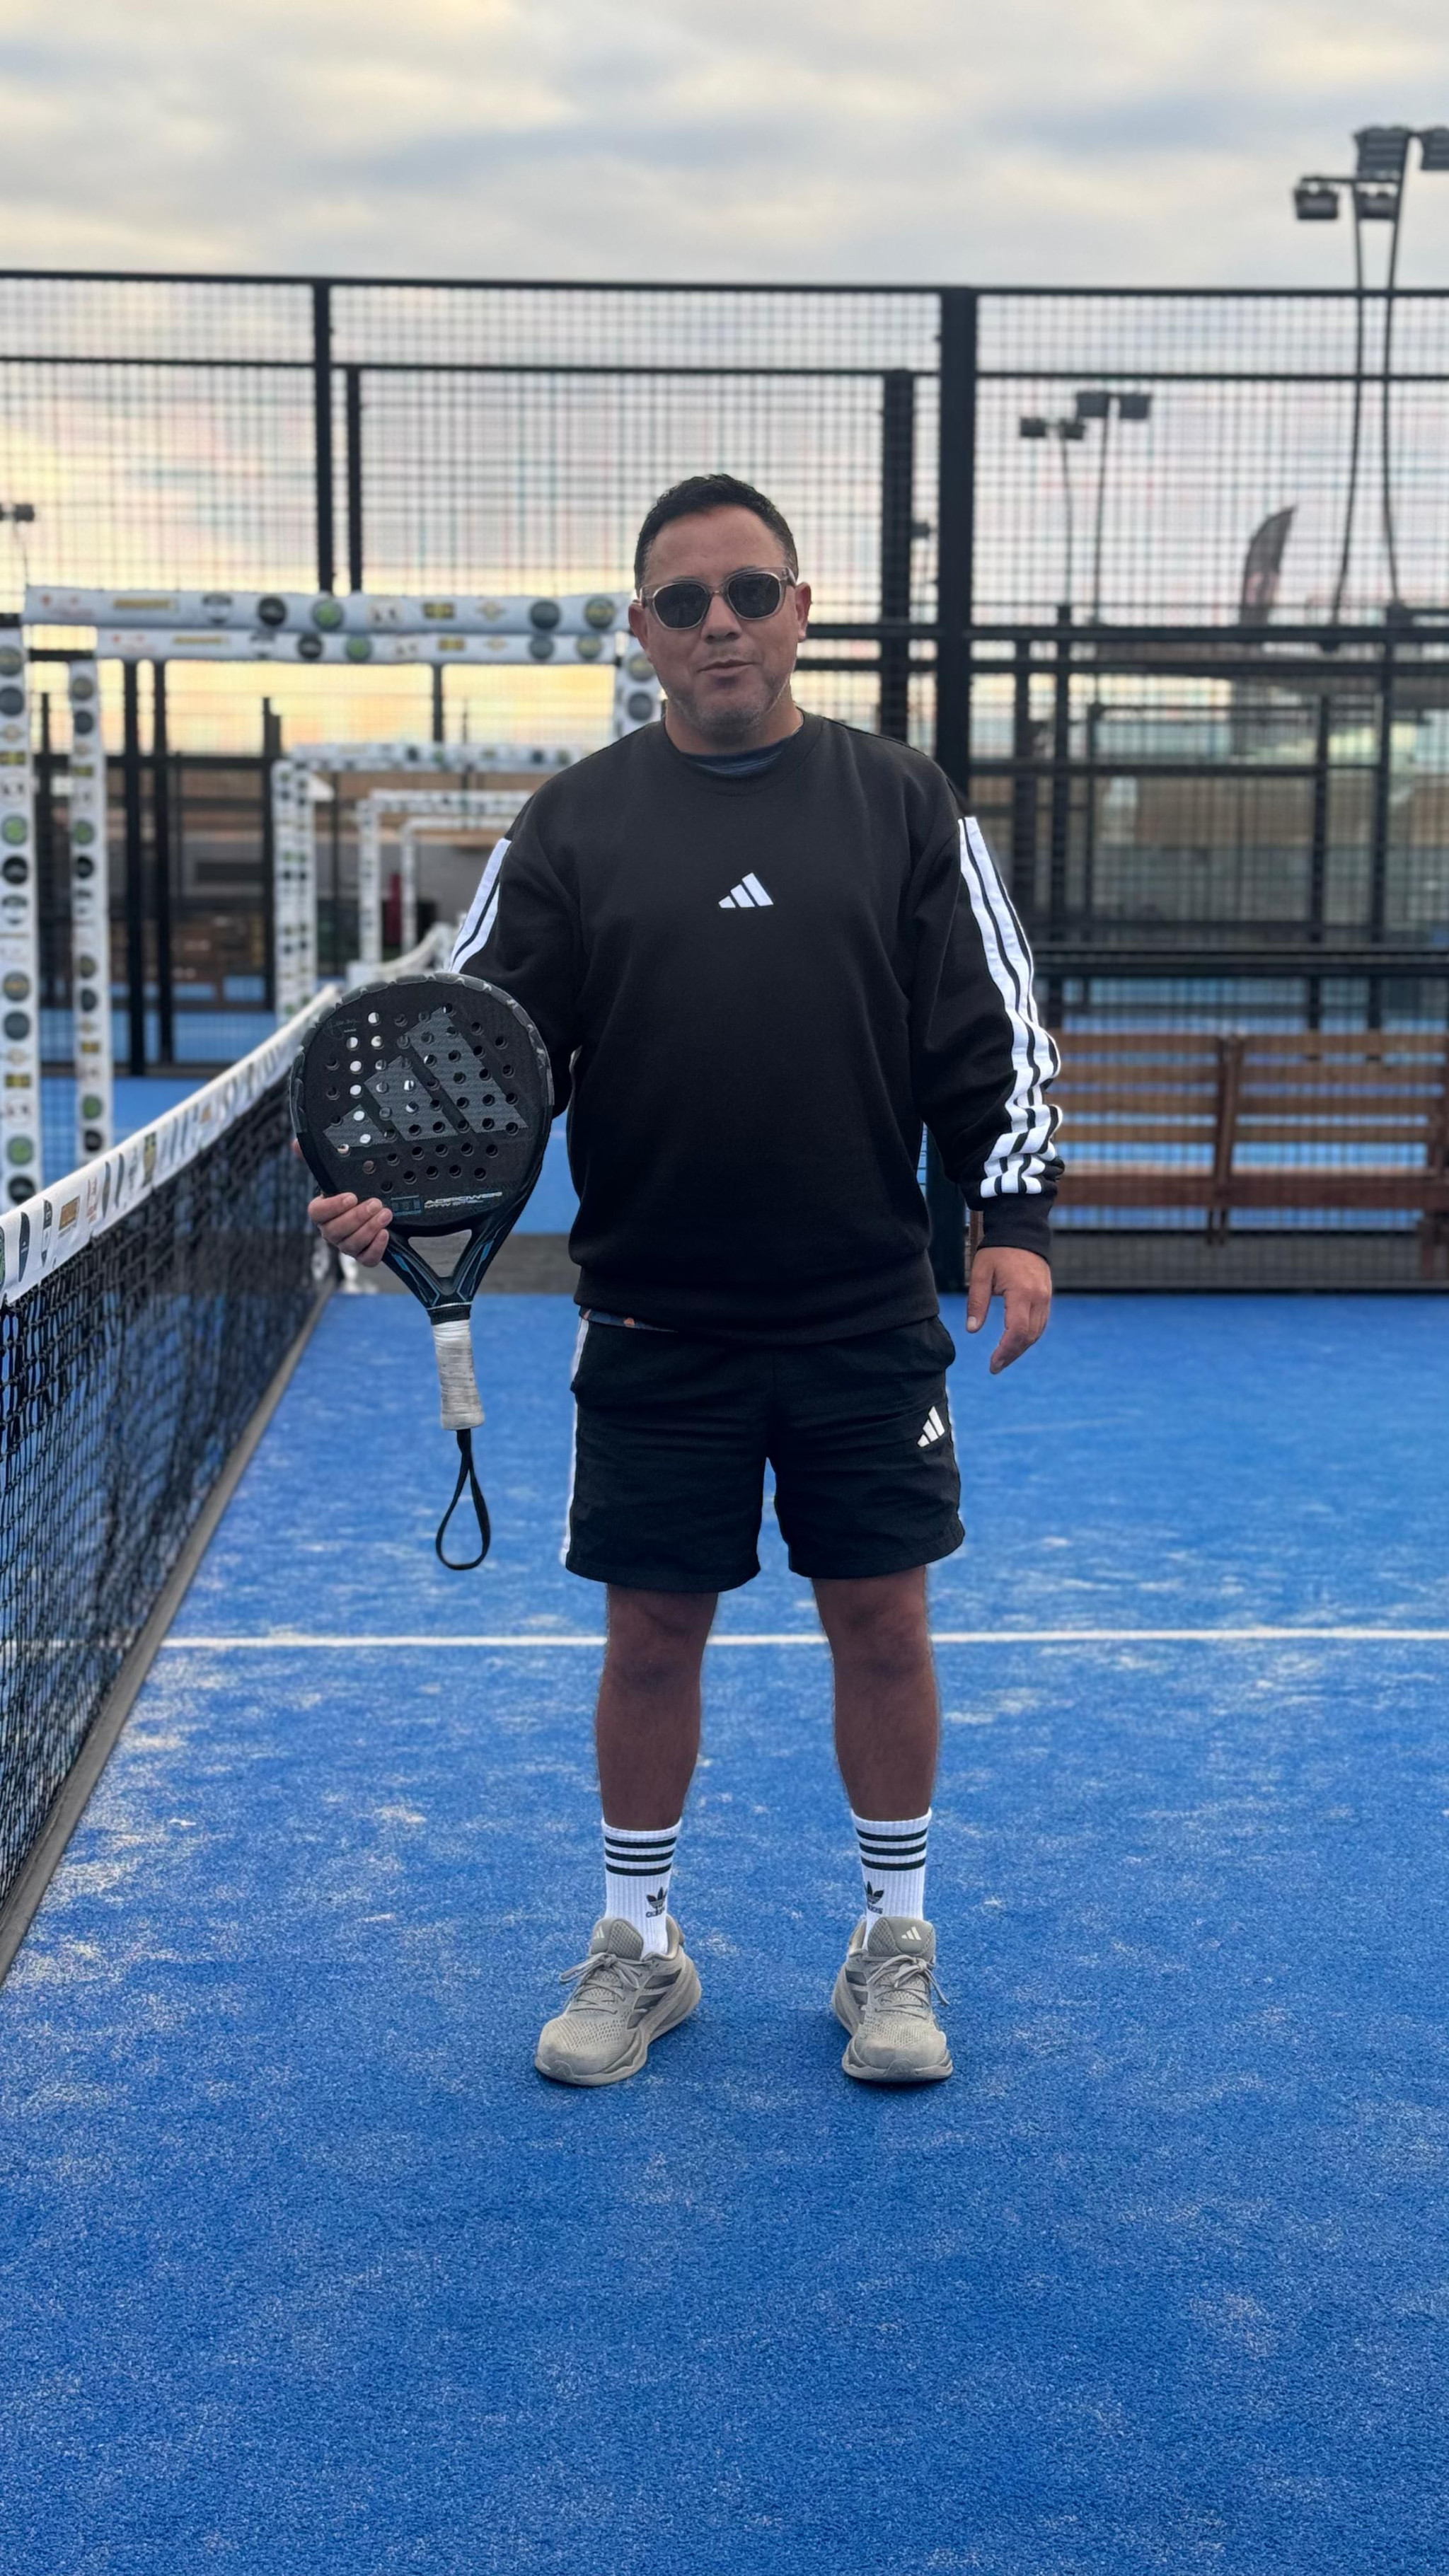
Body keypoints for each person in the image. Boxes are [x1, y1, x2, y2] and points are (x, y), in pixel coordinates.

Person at [307, 473, 1061, 2089]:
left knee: (883, 1621)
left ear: (800, 611)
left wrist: (1010, 1213)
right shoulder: (573, 825)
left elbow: (988, 1025)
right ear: (643, 631)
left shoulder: (903, 801)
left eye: (749, 592)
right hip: (656, 1320)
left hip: (862, 1315)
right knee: (651, 1634)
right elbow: (475, 1049)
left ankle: (893, 1943)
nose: (720, 623)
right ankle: (639, 1944)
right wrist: (394, 1188)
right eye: (683, 601)